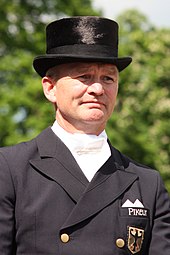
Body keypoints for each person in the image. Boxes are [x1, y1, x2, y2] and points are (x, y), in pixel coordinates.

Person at [0, 16, 169, 255]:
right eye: (84, 77)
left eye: (108, 78)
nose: (98, 89)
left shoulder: (147, 183)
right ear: (50, 88)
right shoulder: (9, 169)